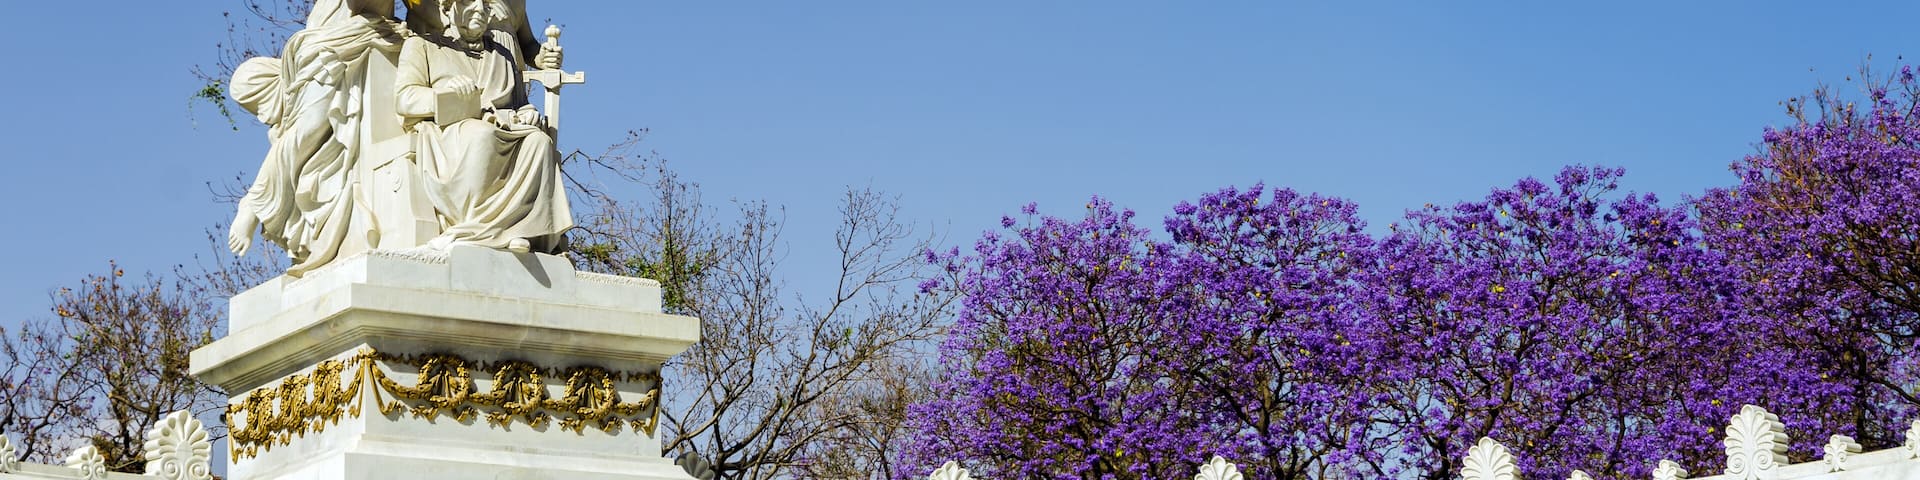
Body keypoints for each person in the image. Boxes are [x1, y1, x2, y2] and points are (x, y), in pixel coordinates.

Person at [228, 0, 406, 275]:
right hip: (329, 42)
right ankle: (255, 201)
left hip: (369, 31)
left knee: (312, 130)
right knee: (309, 127)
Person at [396, 0, 572, 254]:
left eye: (485, 5)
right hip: (450, 128)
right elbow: (405, 98)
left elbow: (517, 100)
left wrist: (527, 112)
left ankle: (520, 229)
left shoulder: (501, 54)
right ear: (448, 8)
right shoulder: (424, 45)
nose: (479, 9)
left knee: (538, 142)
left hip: (503, 123)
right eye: (469, 2)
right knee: (482, 135)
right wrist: (440, 95)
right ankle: (476, 229)